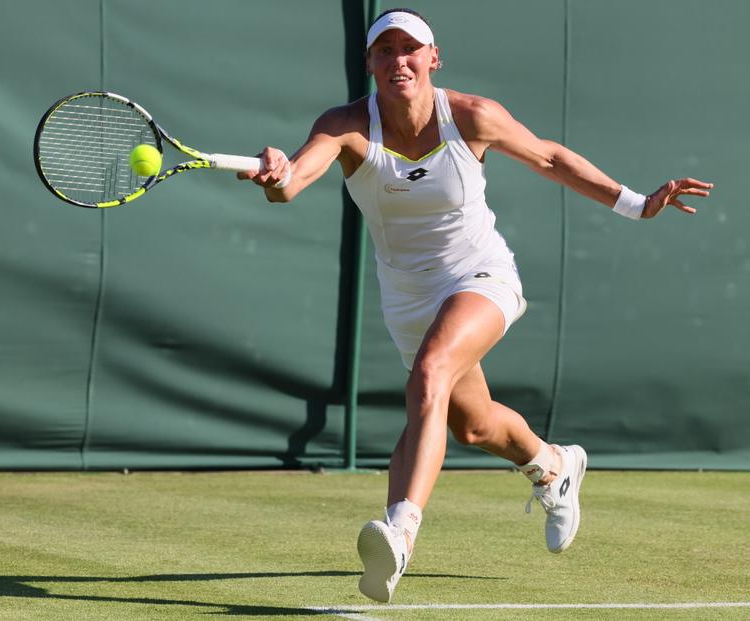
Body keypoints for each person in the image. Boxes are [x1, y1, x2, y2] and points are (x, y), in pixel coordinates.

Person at [239, 8, 713, 603]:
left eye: (410, 49)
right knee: (471, 424)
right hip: (407, 301)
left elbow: (549, 157)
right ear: (370, 64)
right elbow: (293, 183)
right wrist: (276, 174)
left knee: (432, 374)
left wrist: (639, 204)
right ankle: (552, 465)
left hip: (481, 275)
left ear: (433, 58)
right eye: (384, 51)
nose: (398, 60)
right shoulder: (346, 126)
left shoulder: (472, 116)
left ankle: (400, 531)